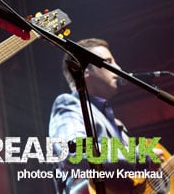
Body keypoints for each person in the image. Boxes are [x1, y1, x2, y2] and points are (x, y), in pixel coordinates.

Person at [48, 38, 166, 193]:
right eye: (108, 62)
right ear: (85, 70)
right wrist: (138, 156)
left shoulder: (115, 123)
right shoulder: (69, 104)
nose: (118, 68)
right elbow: (72, 151)